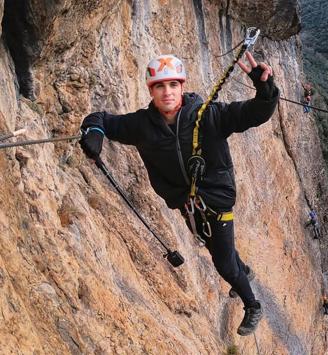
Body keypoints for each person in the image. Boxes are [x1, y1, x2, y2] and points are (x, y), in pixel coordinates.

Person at [78, 52, 279, 336]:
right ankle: (243, 270)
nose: (167, 92)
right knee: (216, 244)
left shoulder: (208, 115)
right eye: (160, 86)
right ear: (151, 90)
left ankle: (252, 304)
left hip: (216, 202)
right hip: (187, 205)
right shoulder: (141, 126)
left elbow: (255, 113)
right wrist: (95, 131)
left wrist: (264, 88)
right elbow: (101, 118)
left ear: (182, 87)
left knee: (222, 262)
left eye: (173, 85)